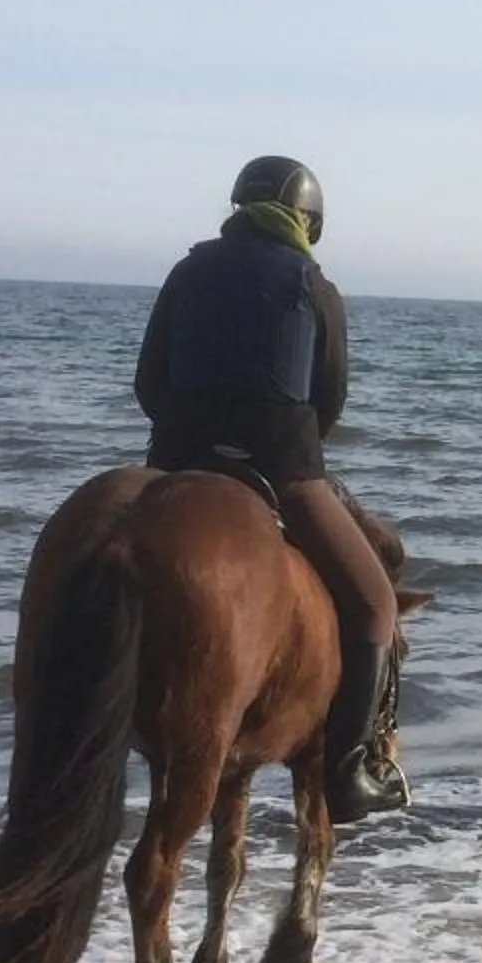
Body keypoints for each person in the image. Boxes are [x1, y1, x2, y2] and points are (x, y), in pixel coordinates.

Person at [135, 155, 407, 822]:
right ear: (309, 220)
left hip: (175, 463)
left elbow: (148, 383)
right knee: (376, 604)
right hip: (282, 470)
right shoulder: (314, 284)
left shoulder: (187, 270)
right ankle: (347, 779)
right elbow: (329, 400)